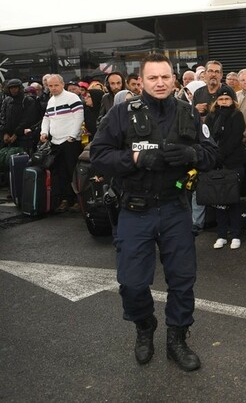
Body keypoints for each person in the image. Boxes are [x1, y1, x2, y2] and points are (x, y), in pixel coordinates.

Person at [91, 52, 217, 372]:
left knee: (182, 280)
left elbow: (211, 155)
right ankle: (144, 326)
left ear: (173, 78)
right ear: (141, 81)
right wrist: (133, 160)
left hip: (175, 208)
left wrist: (191, 153)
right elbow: (99, 156)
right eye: (152, 78)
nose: (159, 83)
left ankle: (177, 338)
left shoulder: (188, 113)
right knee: (132, 284)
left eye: (165, 77)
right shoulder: (121, 114)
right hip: (135, 210)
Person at [207, 85, 246, 250]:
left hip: (233, 163)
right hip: (217, 164)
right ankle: (221, 234)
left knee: (233, 200)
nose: (223, 102)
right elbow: (207, 137)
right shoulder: (211, 117)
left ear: (233, 100)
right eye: (221, 99)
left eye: (227, 99)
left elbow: (234, 139)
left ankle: (236, 234)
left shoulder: (237, 115)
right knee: (218, 200)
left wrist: (219, 155)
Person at [40, 75, 84, 213]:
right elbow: (46, 118)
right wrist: (44, 132)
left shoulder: (72, 97)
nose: (53, 88)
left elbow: (79, 117)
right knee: (60, 173)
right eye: (50, 86)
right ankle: (66, 199)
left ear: (62, 84)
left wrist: (72, 135)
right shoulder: (51, 100)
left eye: (55, 85)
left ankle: (78, 200)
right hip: (55, 141)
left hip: (70, 142)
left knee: (73, 172)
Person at [1, 78, 40, 153]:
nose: (13, 90)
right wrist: (4, 133)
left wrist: (16, 134)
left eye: (15, 87)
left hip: (24, 138)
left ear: (20, 88)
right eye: (11, 88)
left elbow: (28, 119)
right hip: (7, 136)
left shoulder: (28, 100)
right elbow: (2, 117)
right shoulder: (6, 100)